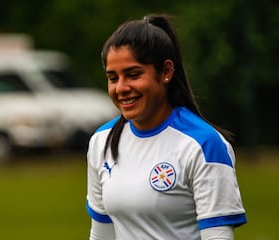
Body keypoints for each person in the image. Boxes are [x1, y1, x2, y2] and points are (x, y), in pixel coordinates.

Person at [86, 14, 247, 240]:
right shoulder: (101, 141)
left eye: (133, 75)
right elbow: (102, 235)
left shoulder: (204, 145)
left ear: (166, 72)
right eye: (113, 78)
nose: (121, 88)